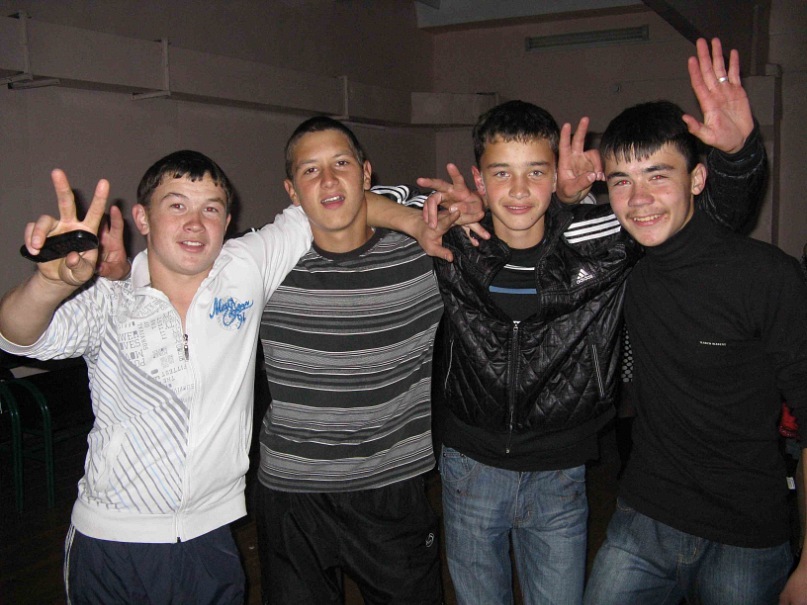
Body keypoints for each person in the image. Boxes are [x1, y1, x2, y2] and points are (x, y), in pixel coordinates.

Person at [0, 150, 456, 604]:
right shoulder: (110, 301)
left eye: (211, 209)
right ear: (142, 218)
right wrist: (49, 284)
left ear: (228, 220)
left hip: (211, 536)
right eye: (177, 205)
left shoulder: (245, 267)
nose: (195, 224)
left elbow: (335, 199)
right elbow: (17, 334)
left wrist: (417, 222)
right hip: (113, 540)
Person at [414, 37, 766, 605]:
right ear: (479, 180)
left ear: (556, 174)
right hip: (469, 468)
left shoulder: (598, 237)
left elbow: (706, 222)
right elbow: (359, 209)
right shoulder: (455, 241)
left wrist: (737, 155)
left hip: (559, 473)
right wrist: (421, 219)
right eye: (501, 174)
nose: (519, 189)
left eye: (535, 171)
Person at [583, 101, 807, 603]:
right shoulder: (627, 268)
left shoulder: (766, 276)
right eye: (621, 181)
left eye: (658, 175)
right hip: (645, 514)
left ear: (698, 180)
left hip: (747, 532)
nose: (639, 199)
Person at [254, 116, 458, 604]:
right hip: (291, 494)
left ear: (367, 173)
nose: (328, 180)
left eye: (341, 163)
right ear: (291, 191)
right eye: (310, 170)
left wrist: (413, 219)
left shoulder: (423, 254)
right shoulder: (263, 266)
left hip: (391, 489)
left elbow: (451, 206)